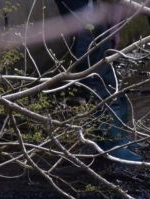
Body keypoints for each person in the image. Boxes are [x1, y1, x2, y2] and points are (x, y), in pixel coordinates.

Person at [53, 0, 141, 161]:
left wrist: (113, 28)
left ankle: (118, 144)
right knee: (98, 81)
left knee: (101, 82)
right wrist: (114, 28)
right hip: (85, 16)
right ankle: (115, 145)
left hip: (89, 17)